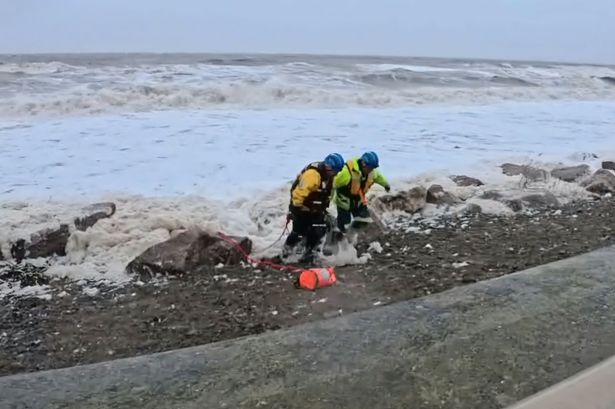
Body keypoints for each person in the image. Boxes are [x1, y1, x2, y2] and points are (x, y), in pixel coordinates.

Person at [283, 153, 345, 262]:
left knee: (319, 229)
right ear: (328, 167)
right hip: (301, 206)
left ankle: (309, 253)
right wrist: (296, 209)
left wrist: (323, 208)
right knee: (298, 231)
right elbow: (299, 194)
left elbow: (327, 194)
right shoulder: (312, 176)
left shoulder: (329, 177)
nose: (337, 174)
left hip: (316, 208)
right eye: (336, 171)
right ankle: (286, 251)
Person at [333, 151, 390, 233]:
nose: (371, 170)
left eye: (373, 168)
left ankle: (358, 237)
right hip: (343, 202)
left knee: (365, 220)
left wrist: (386, 185)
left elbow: (379, 177)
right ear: (363, 163)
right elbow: (333, 183)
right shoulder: (346, 172)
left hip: (359, 201)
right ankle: (339, 238)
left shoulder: (372, 172)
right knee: (344, 226)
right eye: (370, 167)